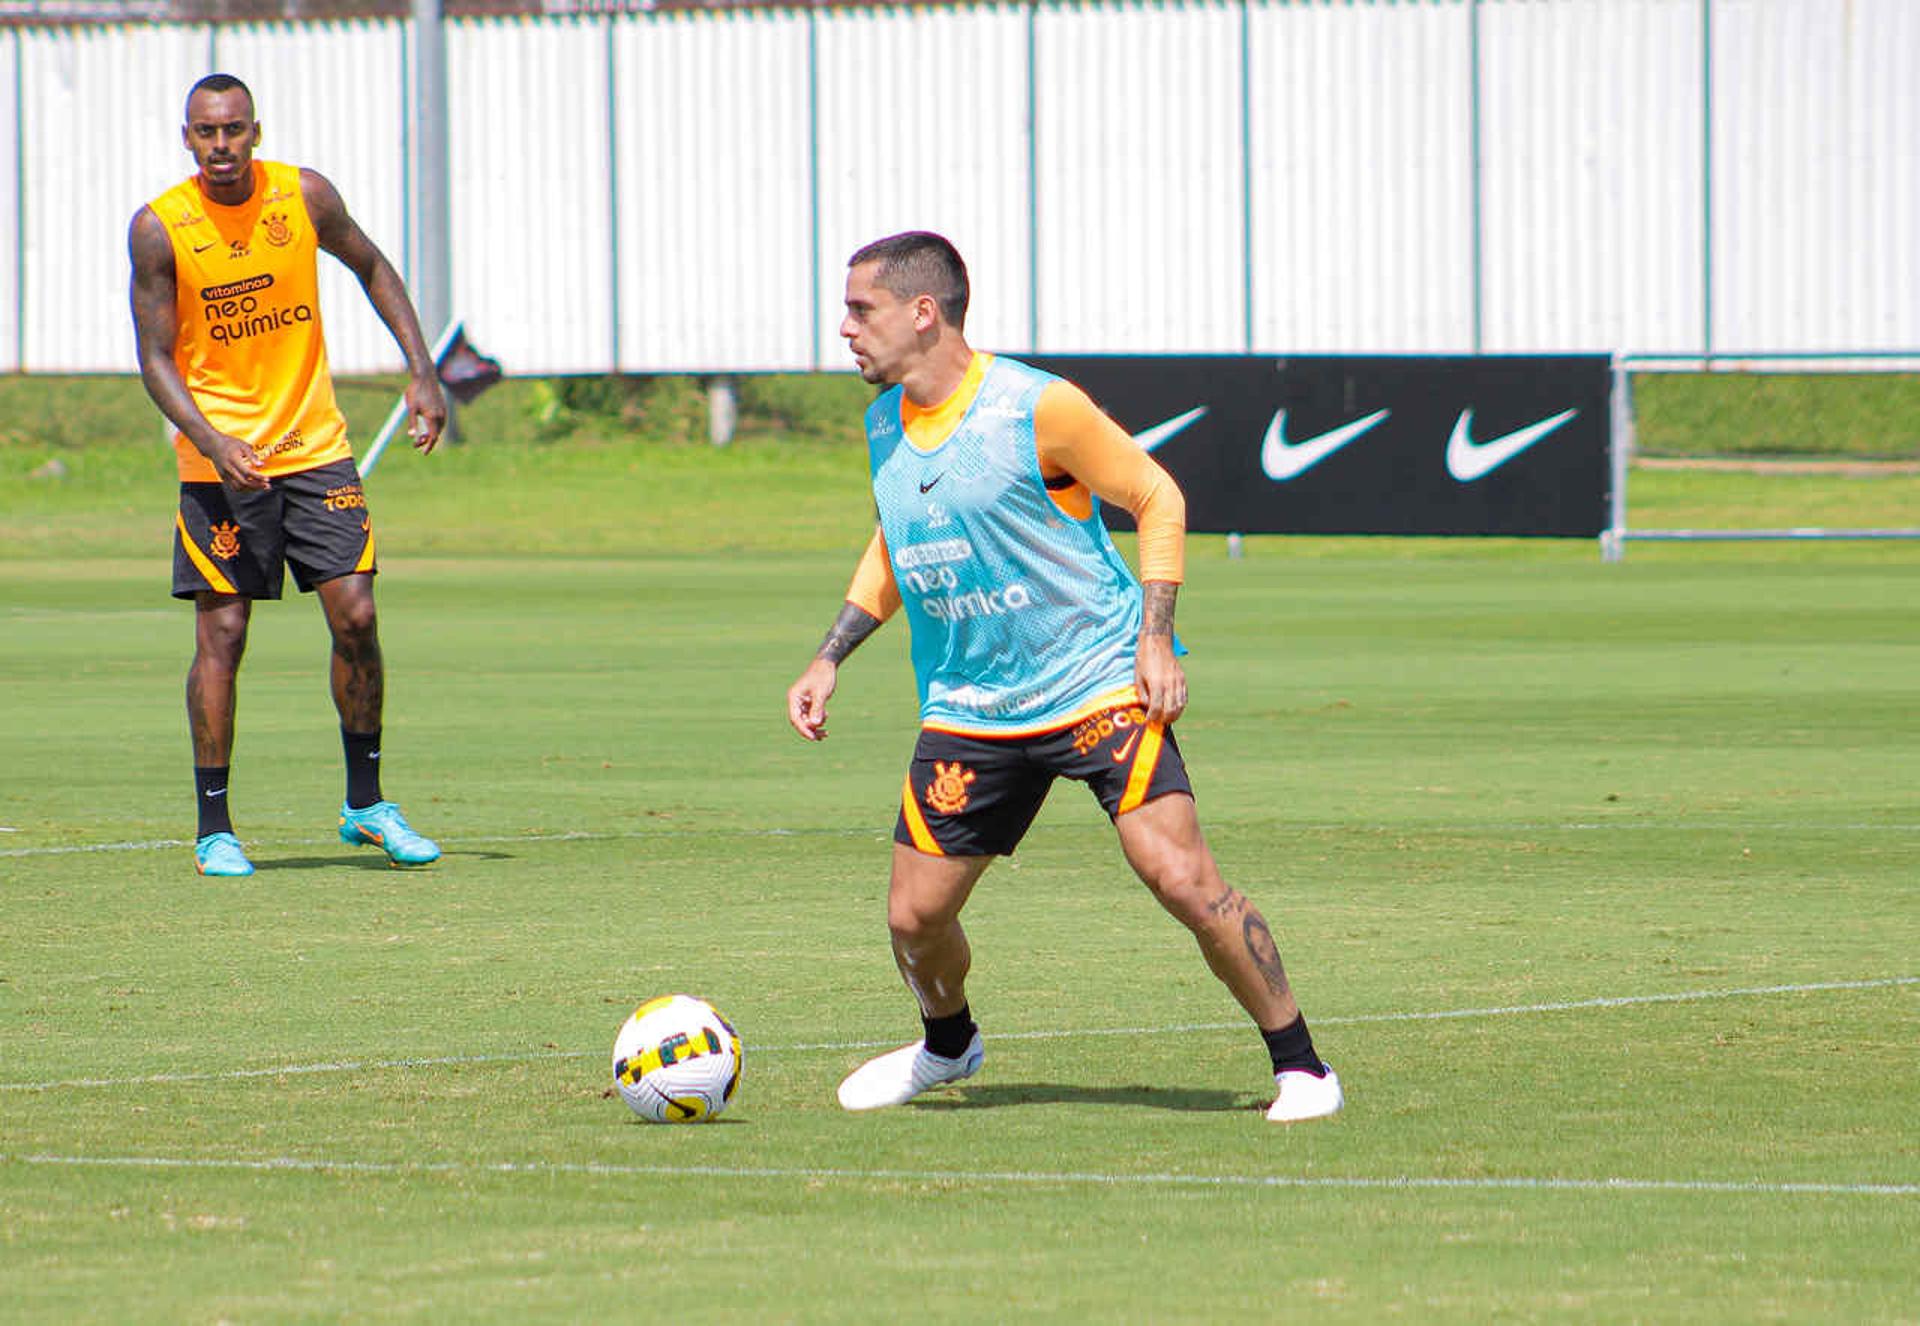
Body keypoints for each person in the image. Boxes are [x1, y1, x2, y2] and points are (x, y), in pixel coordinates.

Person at [785, 232, 1343, 1123]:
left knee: (1180, 877)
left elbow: (1158, 496)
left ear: (923, 312)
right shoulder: (884, 420)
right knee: (913, 920)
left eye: (862, 309)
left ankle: (1303, 1067)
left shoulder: (1035, 407)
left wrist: (1155, 640)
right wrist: (830, 654)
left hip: (1095, 684)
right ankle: (948, 1046)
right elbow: (900, 539)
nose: (846, 328)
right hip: (972, 707)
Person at [129, 73, 445, 876]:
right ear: (188, 138)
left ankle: (367, 805)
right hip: (218, 463)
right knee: (224, 634)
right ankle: (215, 828)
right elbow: (155, 359)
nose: (223, 145)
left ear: (256, 131)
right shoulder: (161, 229)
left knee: (356, 615)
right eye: (207, 132)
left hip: (316, 447)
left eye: (234, 129)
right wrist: (210, 436)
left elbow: (372, 267)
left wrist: (423, 372)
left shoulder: (302, 197)